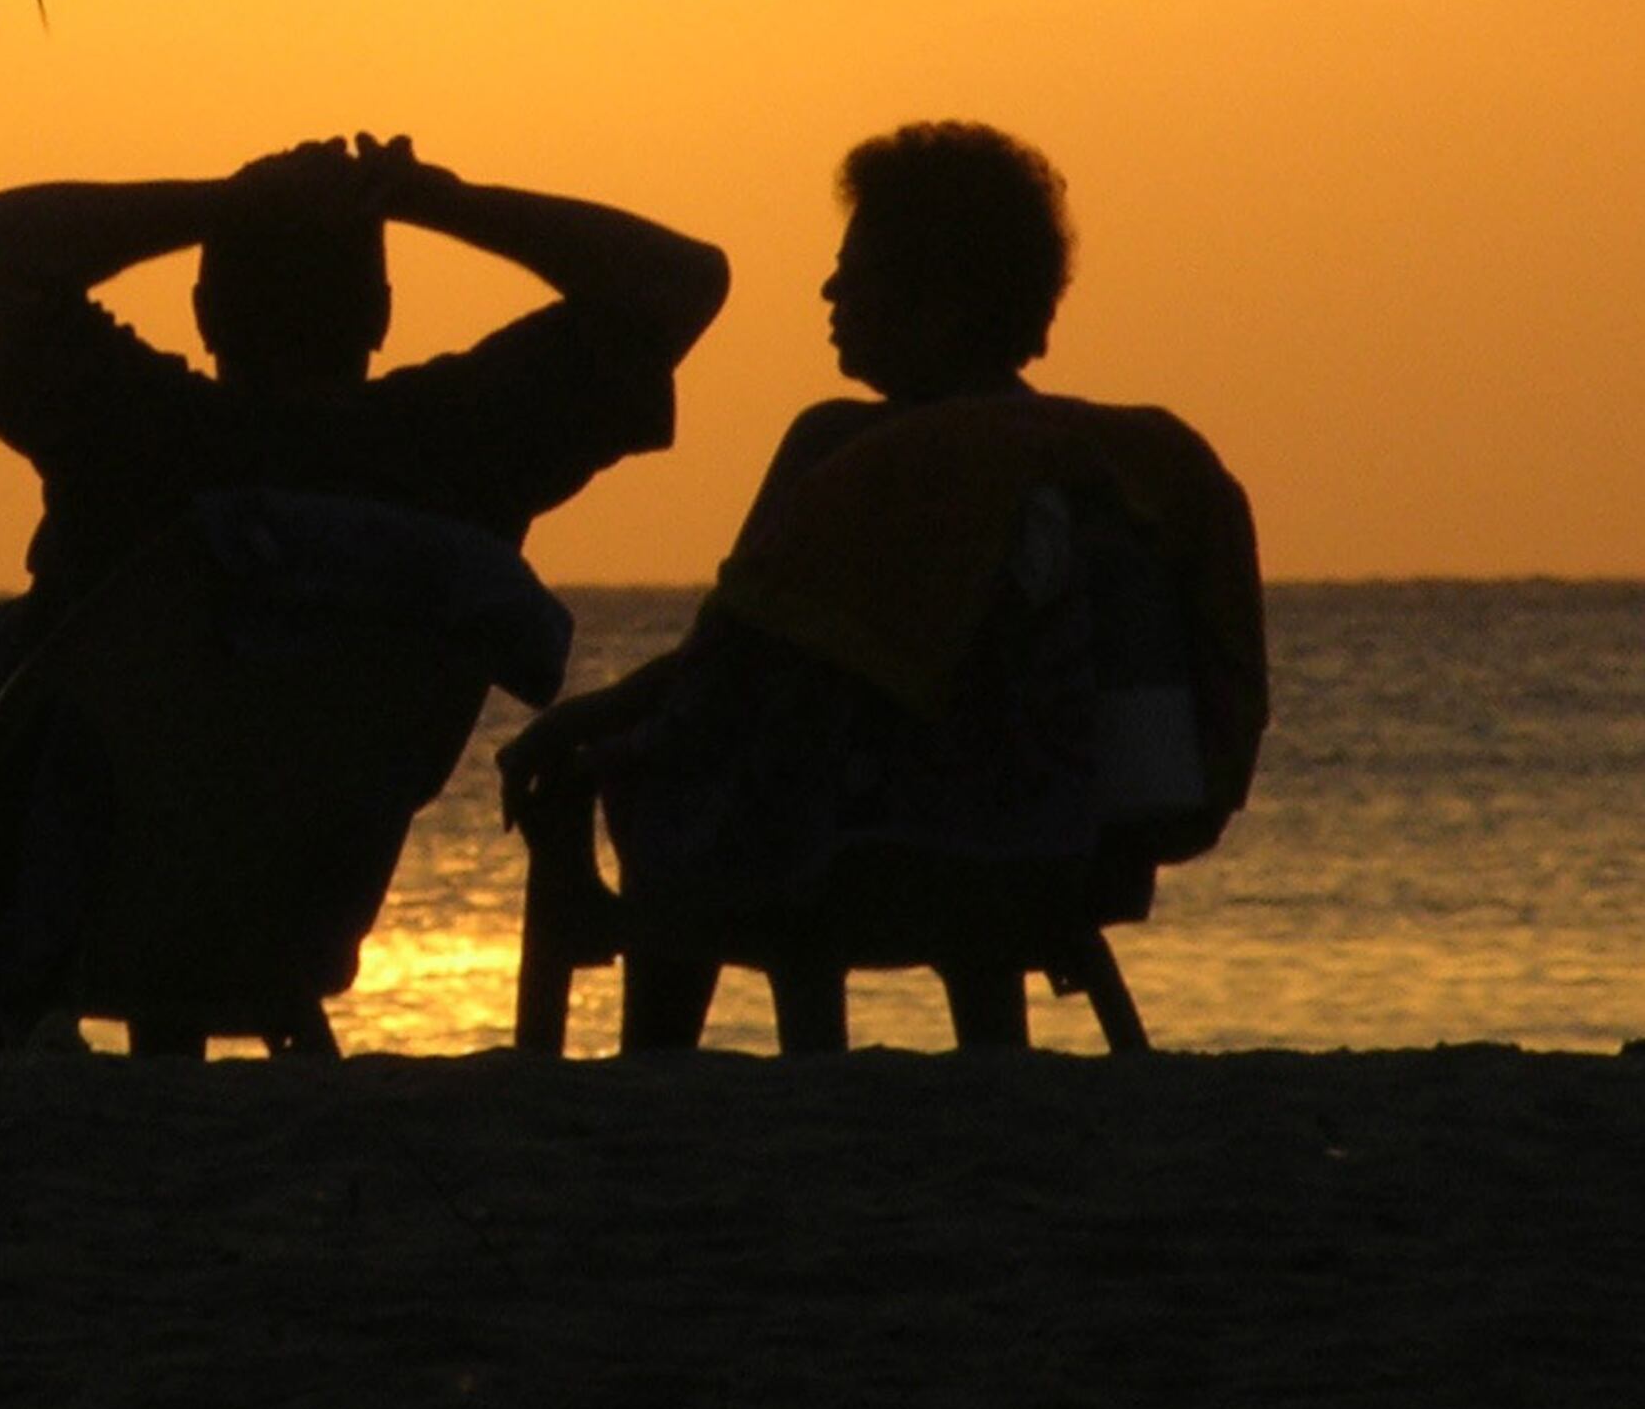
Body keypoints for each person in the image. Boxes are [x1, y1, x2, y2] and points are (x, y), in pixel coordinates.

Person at [0, 126, 728, 1055]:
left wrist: (218, 201)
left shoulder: (137, 427)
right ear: (379, 315)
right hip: (275, 916)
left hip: (7, 883)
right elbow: (682, 279)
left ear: (206, 310)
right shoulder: (468, 449)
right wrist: (432, 198)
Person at [499, 118, 1267, 1047]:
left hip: (867, 851)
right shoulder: (1110, 463)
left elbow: (733, 662)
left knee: (670, 766)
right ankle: (989, 1038)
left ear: (936, 304)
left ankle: (653, 1061)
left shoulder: (852, 450)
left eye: (853, 270)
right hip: (1057, 846)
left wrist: (590, 719)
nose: (829, 290)